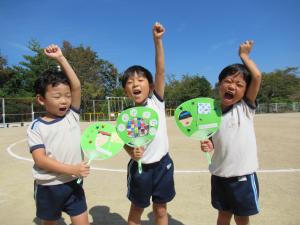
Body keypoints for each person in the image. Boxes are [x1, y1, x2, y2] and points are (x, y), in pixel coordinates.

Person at [200, 40, 262, 225]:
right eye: (227, 81)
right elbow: (210, 139)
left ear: (245, 91)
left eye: (239, 84)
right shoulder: (211, 113)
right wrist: (207, 144)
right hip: (219, 175)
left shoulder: (245, 107)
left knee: (242, 218)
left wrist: (244, 56)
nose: (232, 86)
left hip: (242, 176)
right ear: (219, 84)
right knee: (223, 215)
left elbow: (257, 76)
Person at [27, 44, 90, 225]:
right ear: (41, 99)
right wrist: (73, 169)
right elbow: (41, 160)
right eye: (57, 96)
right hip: (49, 187)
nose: (64, 100)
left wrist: (61, 59)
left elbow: (76, 86)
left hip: (73, 184)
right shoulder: (36, 127)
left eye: (67, 95)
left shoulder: (72, 116)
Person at [121, 22, 175, 225]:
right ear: (126, 91)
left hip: (163, 165)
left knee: (161, 210)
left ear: (151, 86)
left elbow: (160, 71)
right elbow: (124, 141)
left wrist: (157, 41)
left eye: (141, 80)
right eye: (130, 82)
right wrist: (131, 152)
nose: (135, 84)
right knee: (137, 208)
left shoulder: (156, 102)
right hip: (140, 168)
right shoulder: (126, 115)